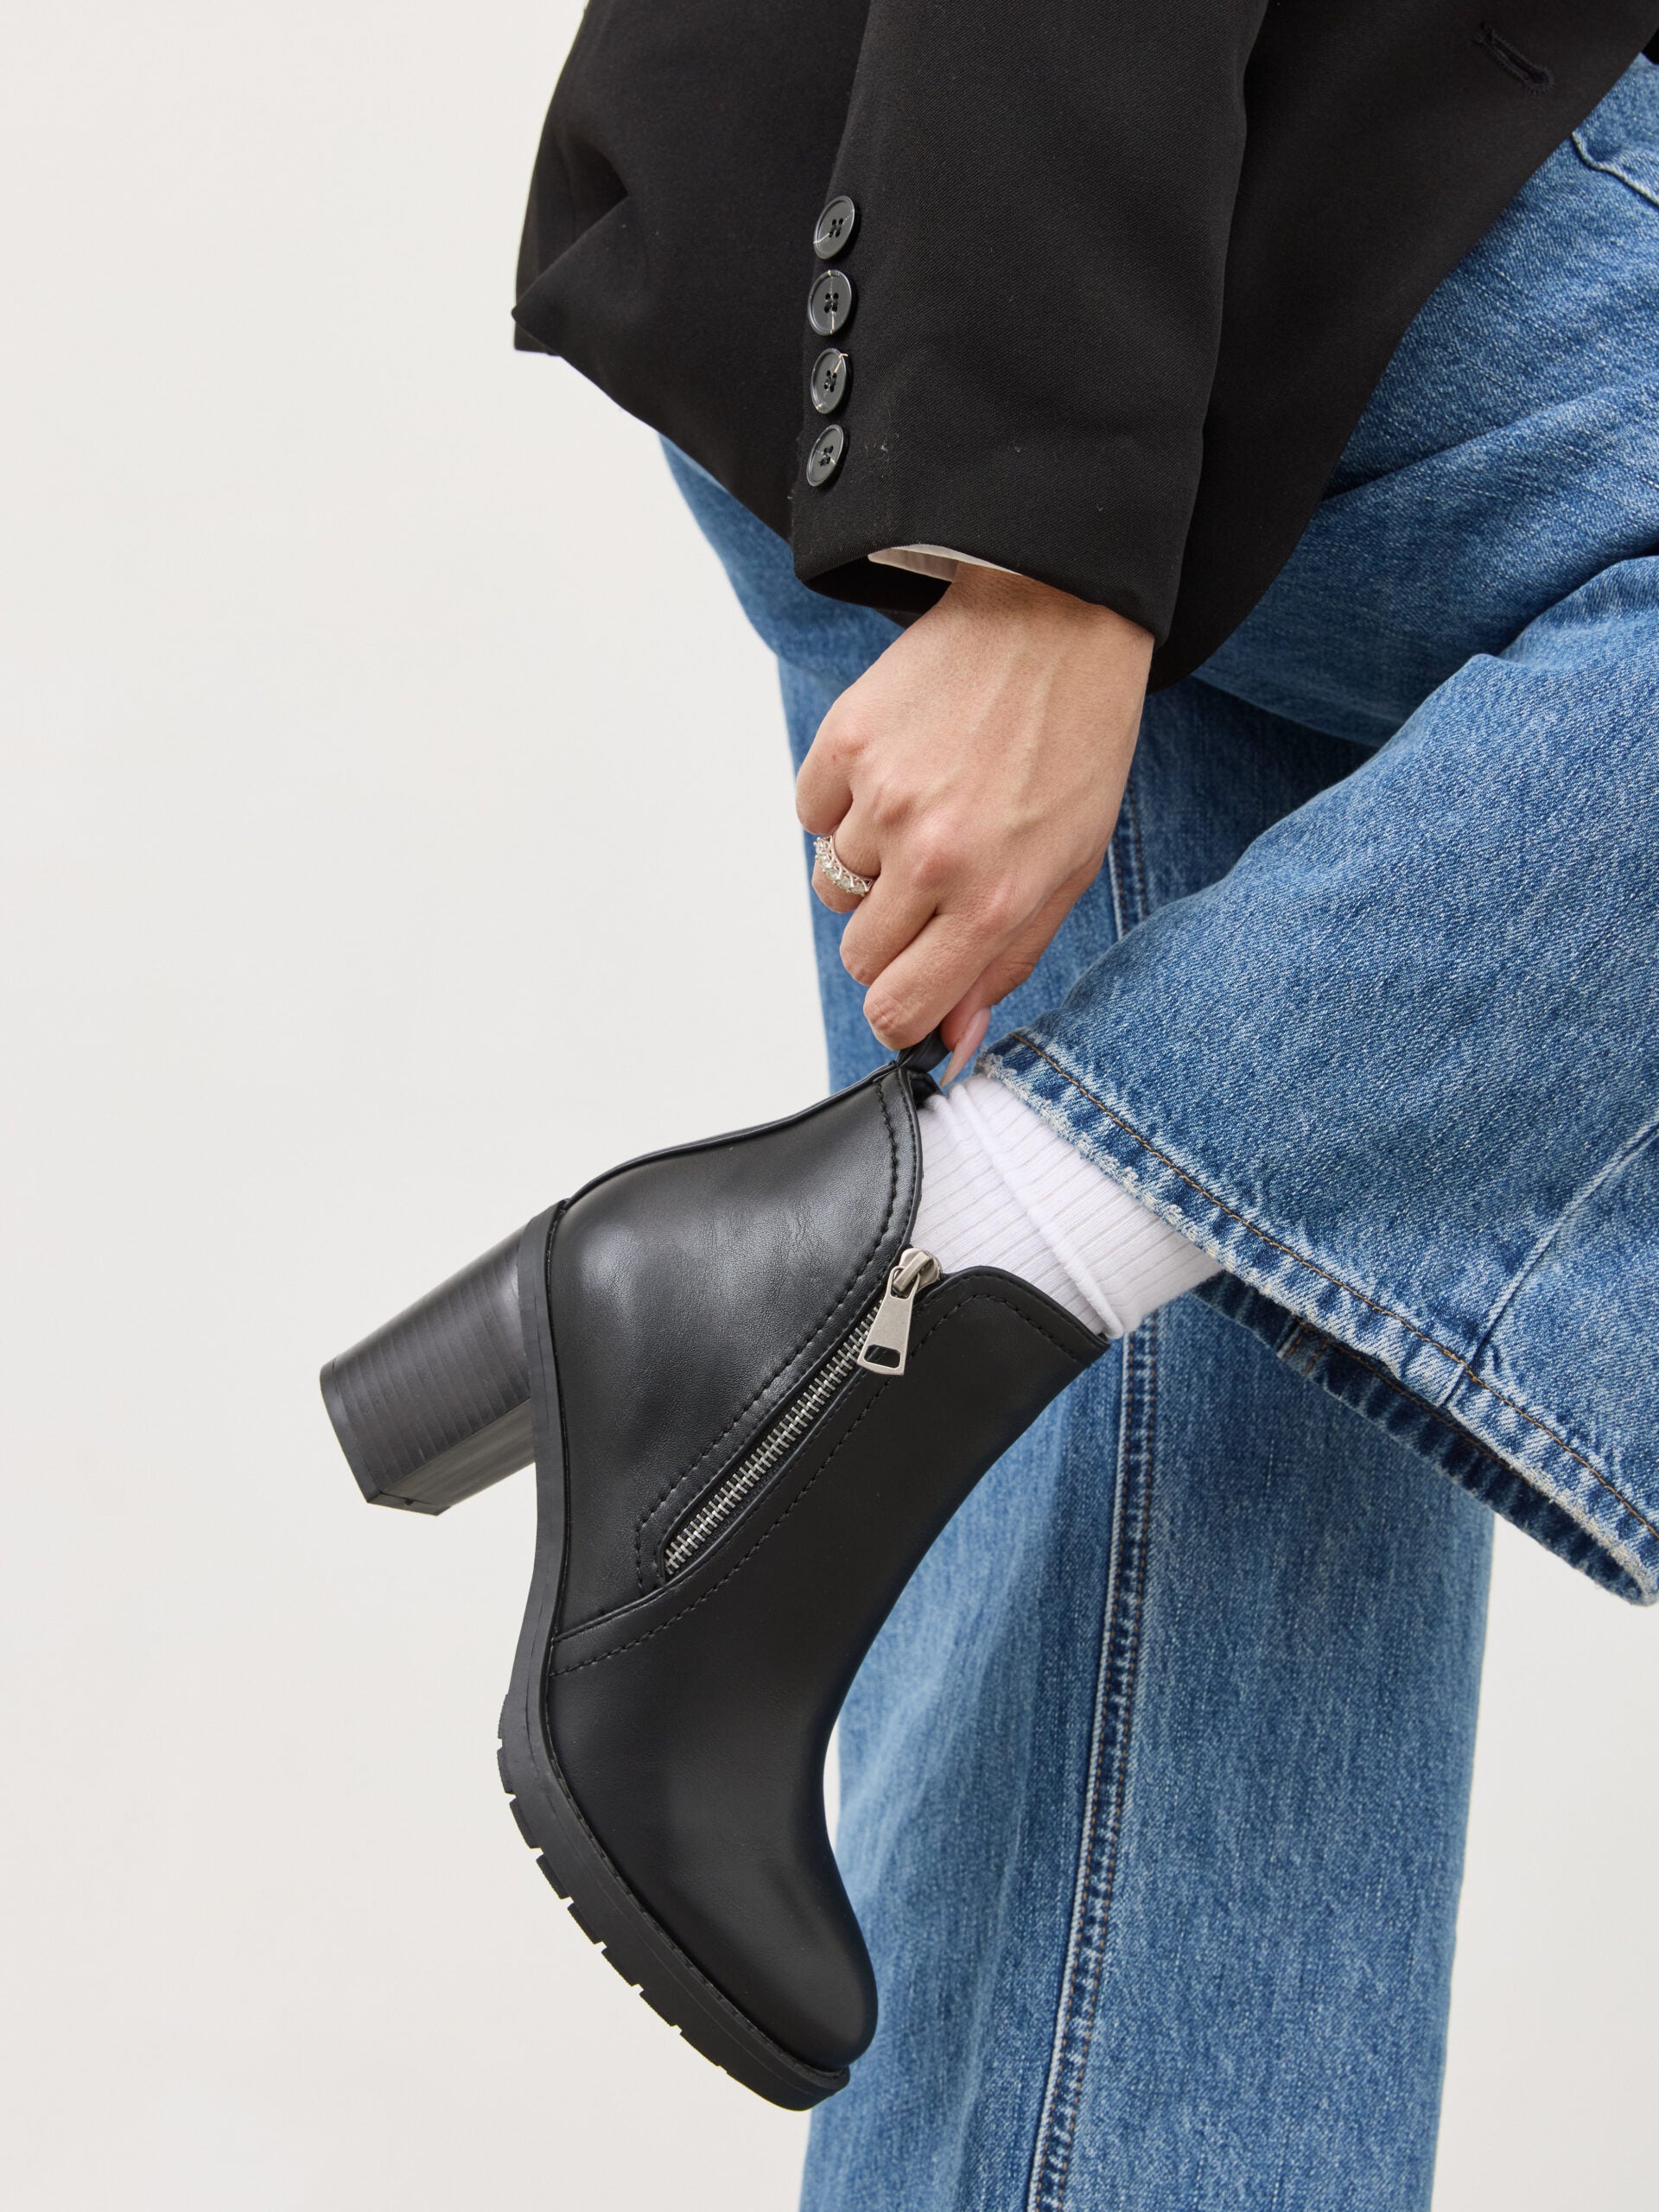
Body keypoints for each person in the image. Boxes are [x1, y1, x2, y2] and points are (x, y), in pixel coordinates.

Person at [322, 15, 1659, 2207]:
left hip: (1217, 212)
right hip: (1123, 190)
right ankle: (908, 1277)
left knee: (1170, 1726)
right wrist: (1036, 505)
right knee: (1153, 1654)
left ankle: (866, 1302)